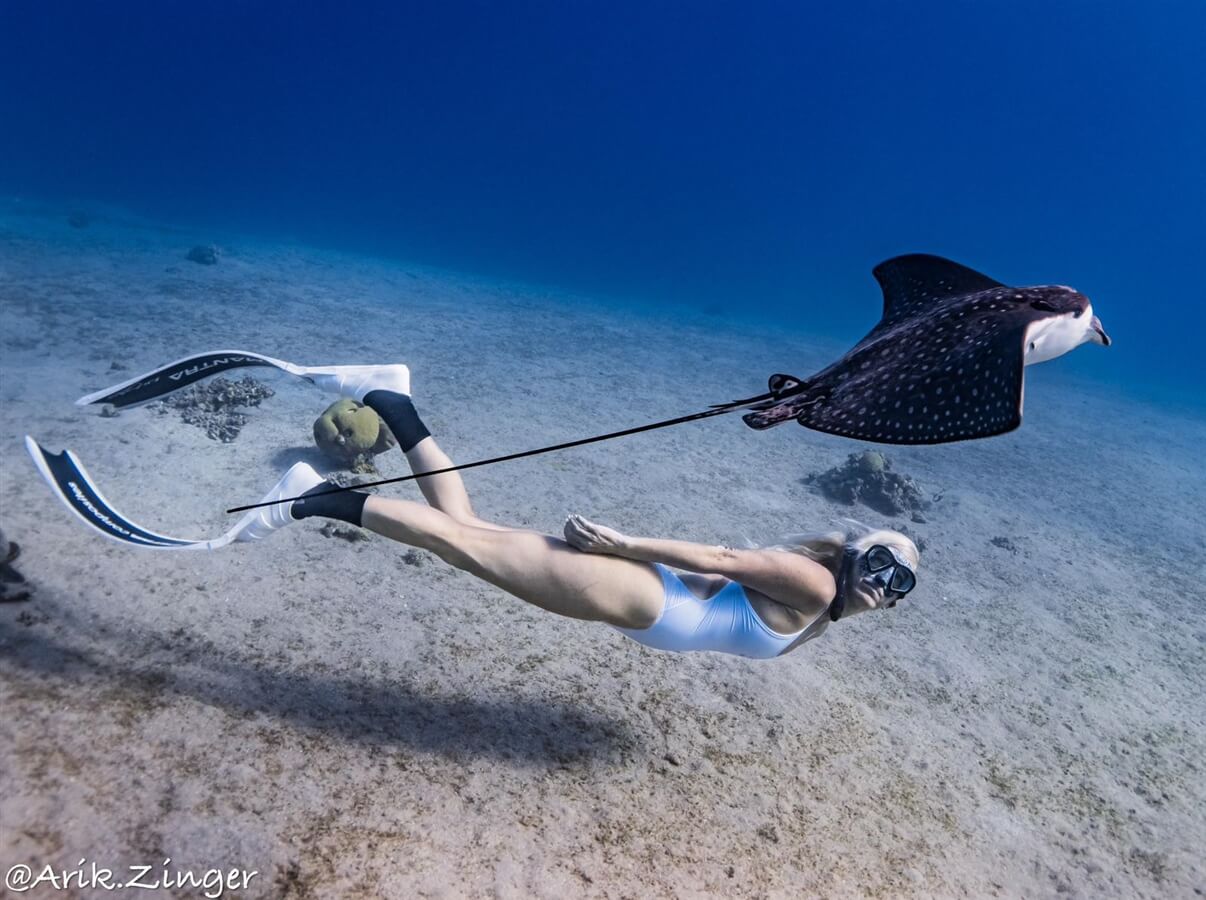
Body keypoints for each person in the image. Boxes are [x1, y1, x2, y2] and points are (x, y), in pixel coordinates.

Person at [240, 364, 920, 660]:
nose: (882, 579)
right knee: (458, 543)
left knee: (468, 530)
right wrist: (625, 548)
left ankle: (391, 401)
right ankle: (310, 497)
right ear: (857, 553)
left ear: (894, 605)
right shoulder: (819, 584)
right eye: (882, 559)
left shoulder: (827, 603)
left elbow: (726, 573)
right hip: (640, 593)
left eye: (899, 582)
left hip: (650, 596)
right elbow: (721, 559)